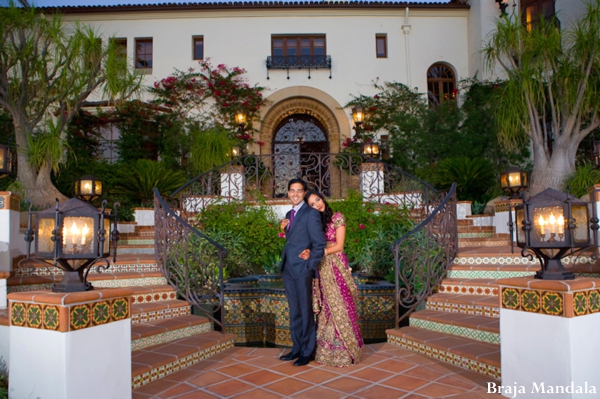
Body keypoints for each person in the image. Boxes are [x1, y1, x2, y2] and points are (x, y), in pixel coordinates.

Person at [300, 190, 364, 367]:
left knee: (341, 303)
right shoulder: (314, 223)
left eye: (318, 200)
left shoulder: (337, 217)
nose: (317, 204)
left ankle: (347, 351)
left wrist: (319, 253)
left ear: (323, 198)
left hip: (336, 266)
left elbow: (339, 246)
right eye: (312, 204)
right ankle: (328, 351)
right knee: (327, 306)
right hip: (322, 268)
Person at [278, 179, 326, 366]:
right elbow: (292, 240)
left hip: (302, 269)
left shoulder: (311, 213)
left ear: (304, 192)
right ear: (288, 193)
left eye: (299, 190)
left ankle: (308, 351)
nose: (295, 193)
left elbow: (319, 243)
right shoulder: (290, 213)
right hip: (288, 269)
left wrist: (310, 265)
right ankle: (297, 348)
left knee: (306, 311)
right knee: (295, 311)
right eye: (292, 190)